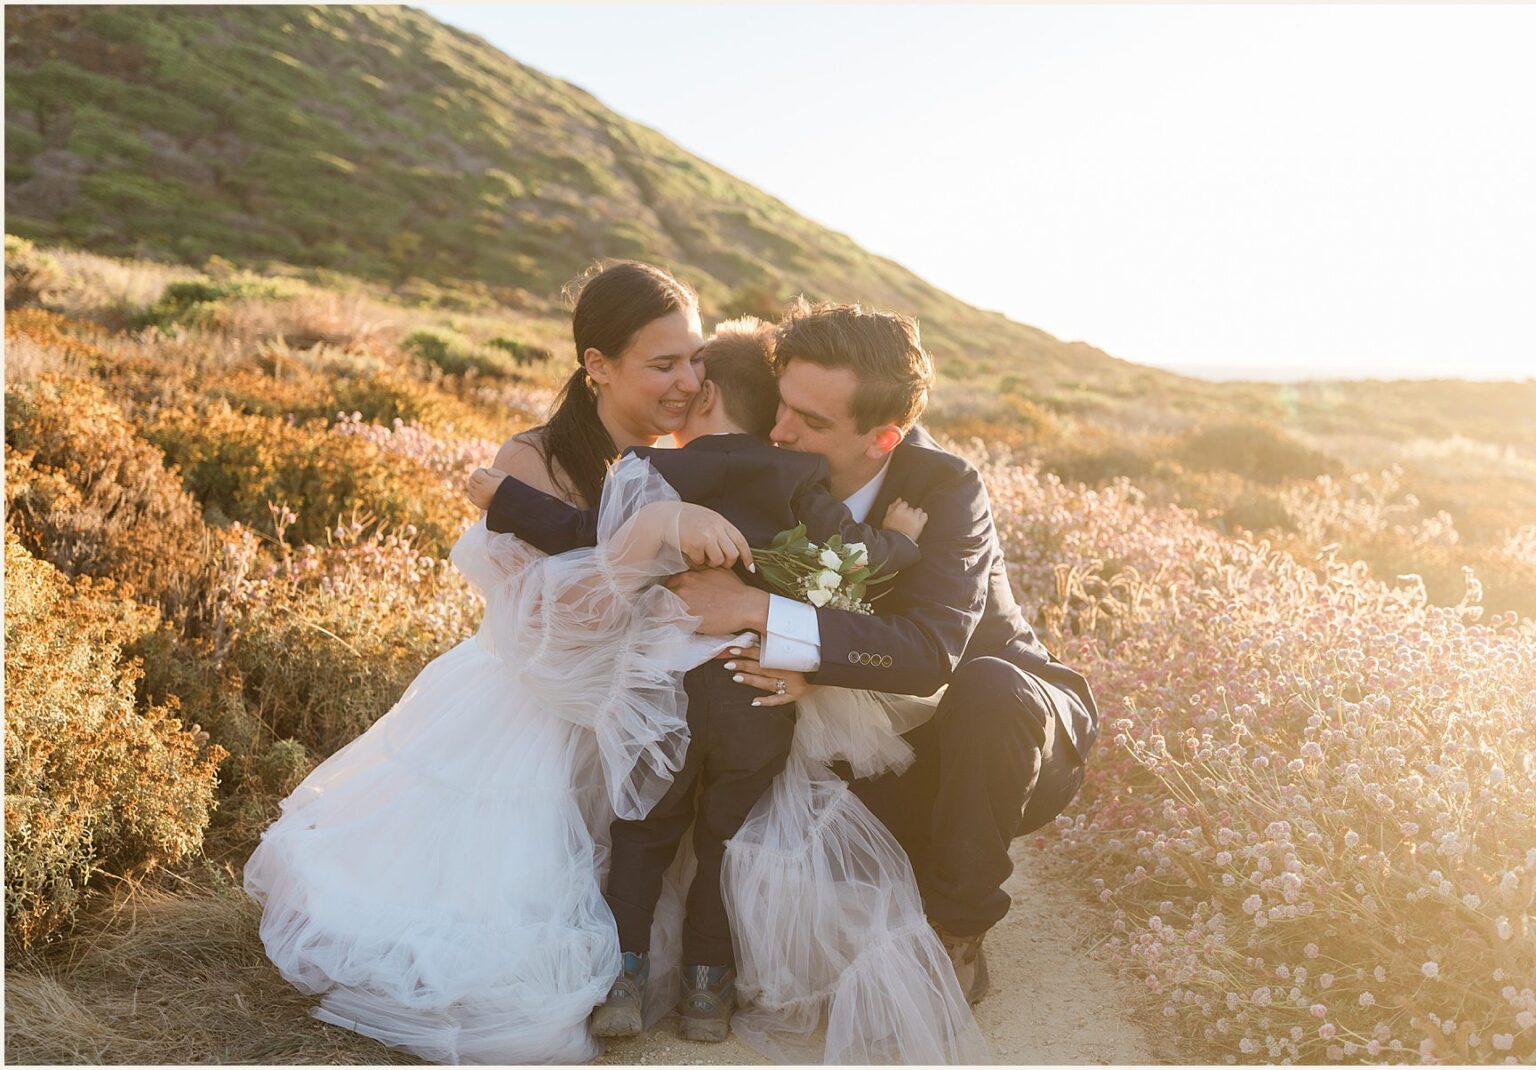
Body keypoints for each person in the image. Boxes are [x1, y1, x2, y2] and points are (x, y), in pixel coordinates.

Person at [244, 263, 984, 1065]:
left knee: (712, 837)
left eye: (697, 361)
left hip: (666, 715)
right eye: (664, 365)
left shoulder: (696, 453)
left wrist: (766, 624)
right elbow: (552, 635)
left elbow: (758, 573)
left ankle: (699, 962)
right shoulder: (544, 459)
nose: (690, 381)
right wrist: (650, 529)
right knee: (535, 934)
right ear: (598, 365)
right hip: (551, 712)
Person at [466, 317, 929, 1042]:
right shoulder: (800, 477)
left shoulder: (657, 473)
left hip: (668, 694)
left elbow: (581, 536)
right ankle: (707, 997)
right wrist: (900, 536)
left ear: (706, 394)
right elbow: (856, 554)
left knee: (644, 833)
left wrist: (503, 497)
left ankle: (623, 981)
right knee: (727, 839)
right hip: (752, 694)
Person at [661, 299, 1101, 1005]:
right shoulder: (770, 458)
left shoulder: (947, 488)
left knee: (990, 689)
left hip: (1002, 735)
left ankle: (959, 929)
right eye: (783, 405)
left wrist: (759, 611)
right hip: (867, 745)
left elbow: (930, 653)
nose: (779, 430)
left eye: (811, 422)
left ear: (884, 437)